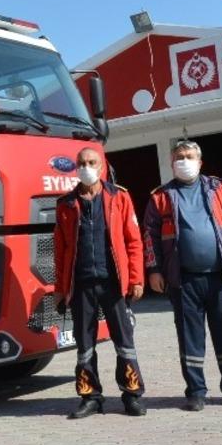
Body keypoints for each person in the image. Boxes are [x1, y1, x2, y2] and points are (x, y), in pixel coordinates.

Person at [143, 140, 222, 411]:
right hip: (183, 279)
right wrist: (154, 270)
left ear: (200, 161)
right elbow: (150, 236)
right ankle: (196, 391)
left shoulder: (221, 189)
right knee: (189, 337)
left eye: (189, 156)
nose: (184, 161)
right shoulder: (160, 196)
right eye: (179, 157)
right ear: (172, 163)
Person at [53, 147, 147, 418]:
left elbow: (133, 241)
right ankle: (90, 397)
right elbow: (60, 252)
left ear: (102, 165)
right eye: (81, 163)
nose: (86, 167)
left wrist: (137, 278)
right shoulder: (66, 204)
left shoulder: (120, 197)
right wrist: (59, 289)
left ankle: (131, 395)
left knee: (124, 340)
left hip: (114, 282)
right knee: (85, 344)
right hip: (81, 284)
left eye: (91, 162)